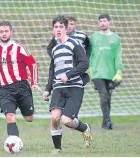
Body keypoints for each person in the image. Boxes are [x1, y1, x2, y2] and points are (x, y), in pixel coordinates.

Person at [43, 15, 92, 153]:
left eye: (61, 27)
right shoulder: (54, 49)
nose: (58, 29)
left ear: (66, 28)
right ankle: (57, 149)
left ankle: (85, 128)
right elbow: (52, 71)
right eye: (56, 27)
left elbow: (84, 63)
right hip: (58, 88)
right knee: (54, 118)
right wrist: (48, 89)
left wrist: (69, 75)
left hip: (74, 87)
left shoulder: (74, 44)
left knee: (66, 120)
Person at [90, 14, 123, 130]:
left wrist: (119, 71)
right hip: (97, 72)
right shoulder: (93, 37)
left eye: (104, 21)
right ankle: (109, 121)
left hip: (111, 73)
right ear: (98, 23)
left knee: (108, 98)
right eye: (100, 21)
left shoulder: (116, 38)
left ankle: (105, 124)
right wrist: (90, 69)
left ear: (109, 22)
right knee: (103, 95)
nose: (102, 23)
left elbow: (118, 56)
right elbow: (90, 54)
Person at [45, 16, 91, 98]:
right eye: (68, 24)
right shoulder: (57, 38)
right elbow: (49, 48)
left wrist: (86, 57)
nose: (69, 26)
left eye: (72, 24)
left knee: (75, 79)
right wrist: (57, 57)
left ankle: (82, 79)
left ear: (75, 25)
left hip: (78, 64)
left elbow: (88, 46)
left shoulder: (81, 36)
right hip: (64, 66)